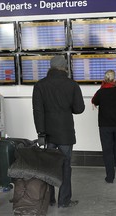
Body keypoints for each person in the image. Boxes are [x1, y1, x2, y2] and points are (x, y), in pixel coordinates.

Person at [32, 55, 85, 208]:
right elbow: (79, 109)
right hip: (65, 133)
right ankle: (64, 201)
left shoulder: (40, 85)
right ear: (65, 67)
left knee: (48, 166)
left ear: (51, 66)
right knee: (65, 167)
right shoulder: (72, 85)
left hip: (47, 134)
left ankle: (49, 199)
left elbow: (37, 111)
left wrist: (41, 133)